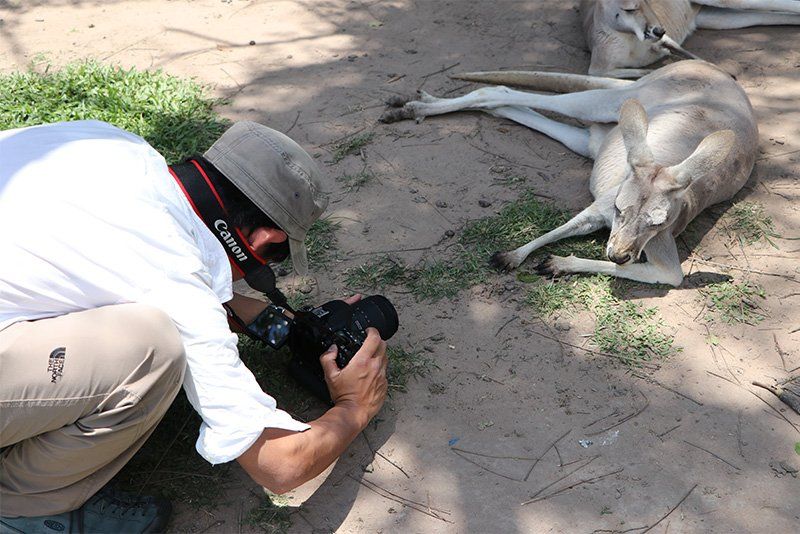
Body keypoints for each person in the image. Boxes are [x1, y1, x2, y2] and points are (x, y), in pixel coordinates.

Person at [0, 119, 389, 532]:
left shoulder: (109, 142)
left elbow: (139, 269)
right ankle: (20, 506)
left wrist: (291, 327)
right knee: (150, 350)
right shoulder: (179, 282)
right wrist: (354, 408)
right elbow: (281, 465)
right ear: (263, 241)